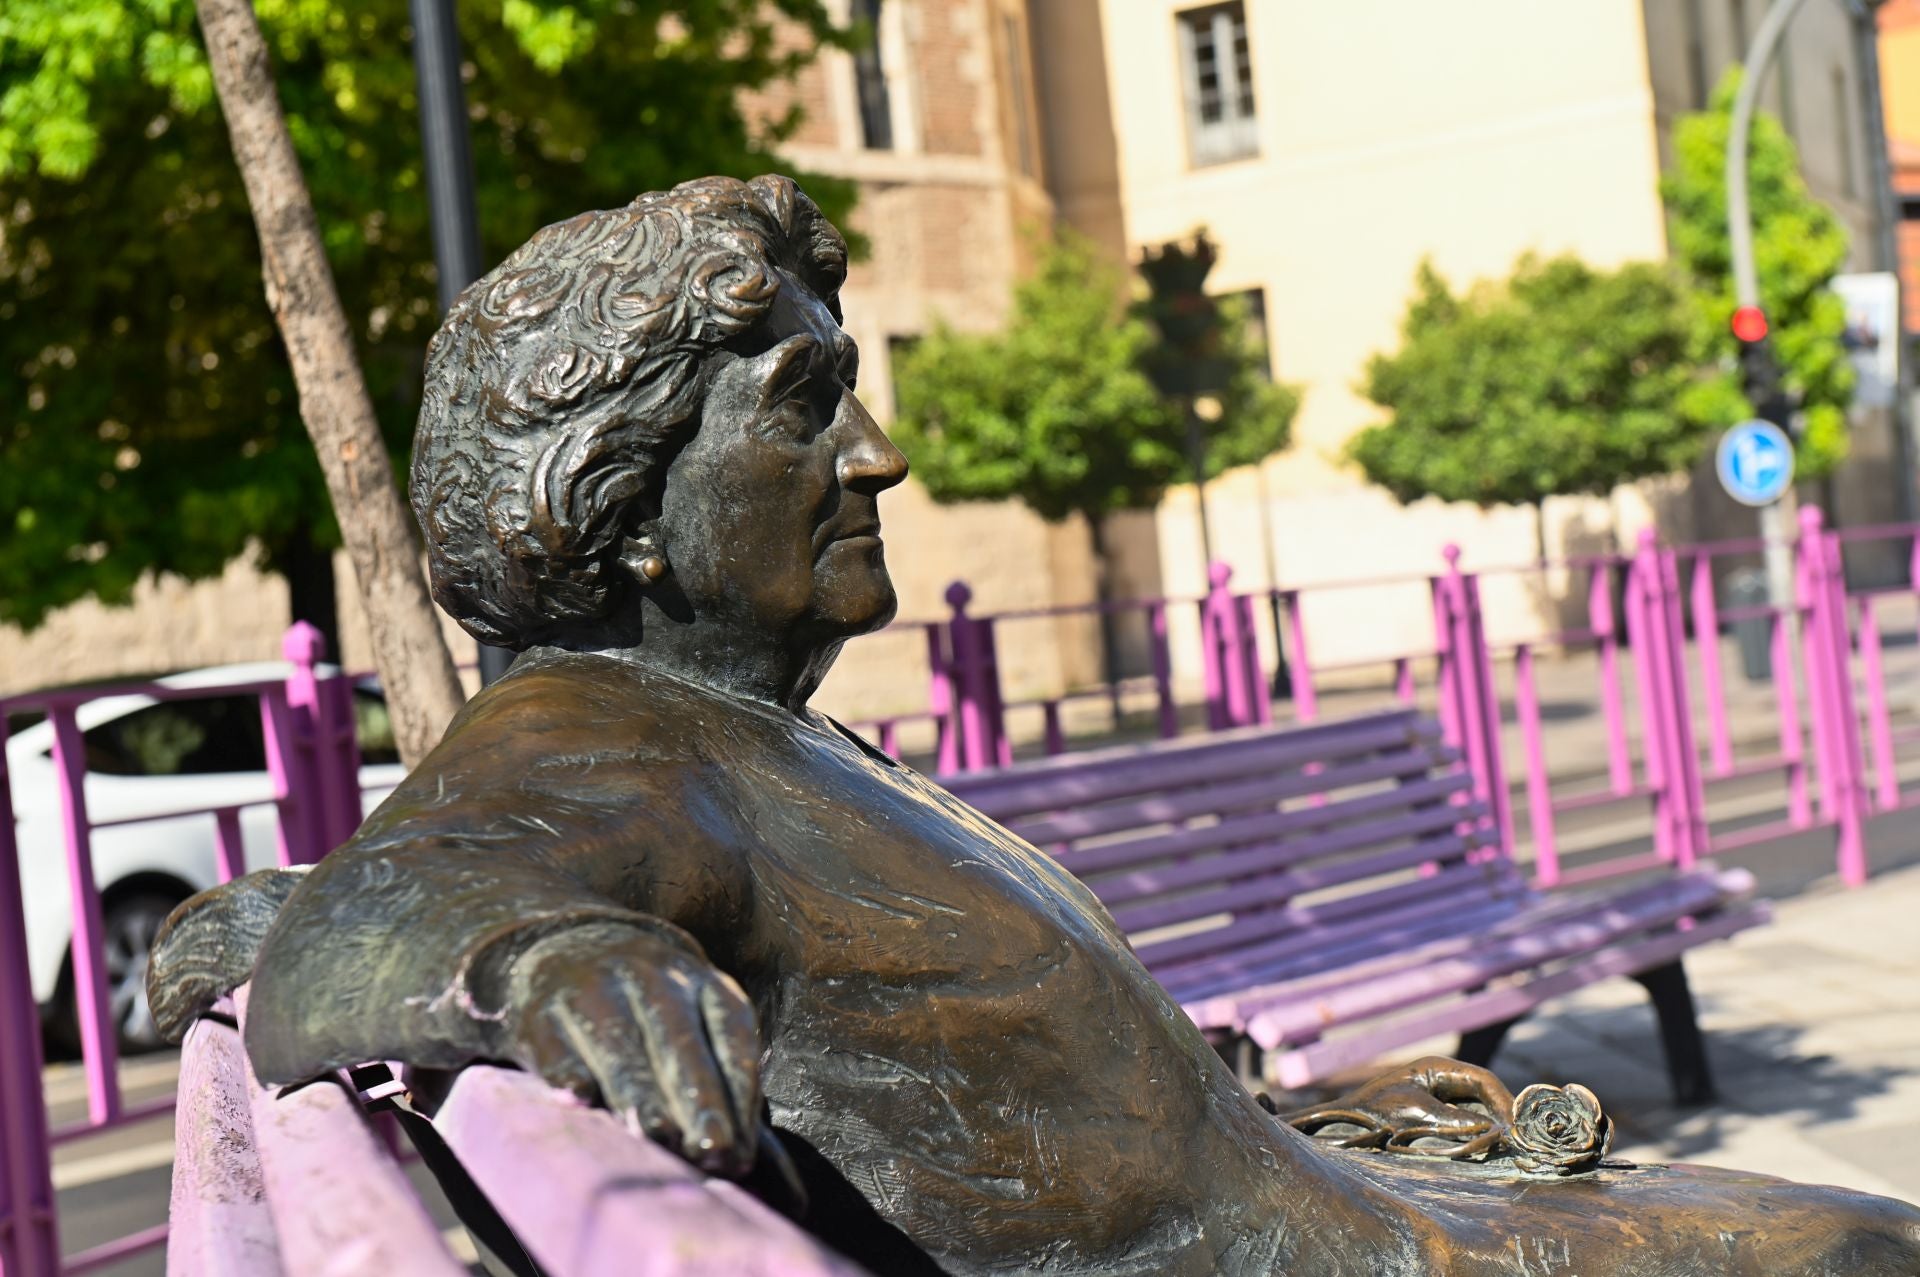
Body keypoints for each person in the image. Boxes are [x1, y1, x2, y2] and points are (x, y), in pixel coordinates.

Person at [151, 175, 1920, 1276]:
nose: (880, 453)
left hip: (1362, 1204)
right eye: (804, 410)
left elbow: (380, 897)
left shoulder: (740, 731)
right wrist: (538, 966)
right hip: (1378, 1261)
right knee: (1858, 1247)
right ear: (610, 501)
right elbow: (407, 915)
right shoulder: (605, 742)